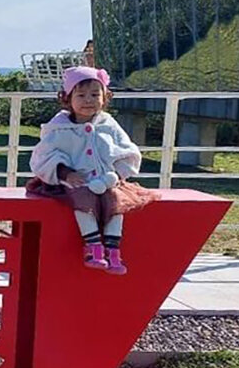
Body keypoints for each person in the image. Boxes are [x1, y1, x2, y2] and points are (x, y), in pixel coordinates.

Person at [27, 65, 154, 274]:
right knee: (82, 201)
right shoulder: (58, 127)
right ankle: (92, 246)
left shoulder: (109, 125)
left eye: (95, 94)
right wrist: (65, 173)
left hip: (108, 180)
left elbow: (127, 151)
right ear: (68, 98)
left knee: (116, 204)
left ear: (105, 98)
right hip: (74, 181)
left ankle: (113, 250)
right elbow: (44, 155)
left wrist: (117, 174)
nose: (88, 100)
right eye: (81, 95)